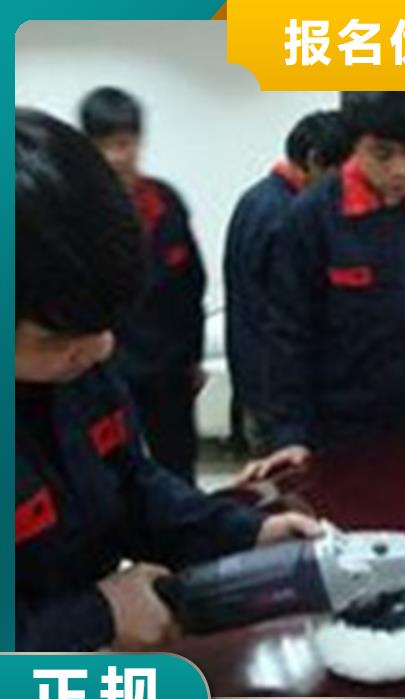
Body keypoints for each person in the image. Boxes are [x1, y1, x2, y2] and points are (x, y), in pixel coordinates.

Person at [15, 109, 320, 653]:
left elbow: (131, 484)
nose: (102, 349)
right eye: (57, 339)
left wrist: (243, 534)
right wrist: (95, 616)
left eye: (107, 324)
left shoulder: (80, 360)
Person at [241, 92, 405, 482]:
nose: (401, 170)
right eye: (382, 154)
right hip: (338, 428)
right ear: (355, 144)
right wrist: (290, 434)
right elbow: (289, 333)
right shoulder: (311, 215)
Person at [80, 87, 206, 482]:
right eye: (104, 146)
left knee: (178, 464)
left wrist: (193, 357)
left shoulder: (166, 203)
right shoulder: (76, 210)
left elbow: (191, 287)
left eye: (124, 143)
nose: (116, 156)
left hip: (168, 367)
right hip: (105, 368)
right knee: (110, 473)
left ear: (138, 141)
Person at [223, 110, 352, 456]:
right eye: (342, 171)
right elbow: (288, 316)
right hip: (278, 391)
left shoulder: (255, 198)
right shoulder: (290, 217)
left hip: (254, 379)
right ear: (314, 161)